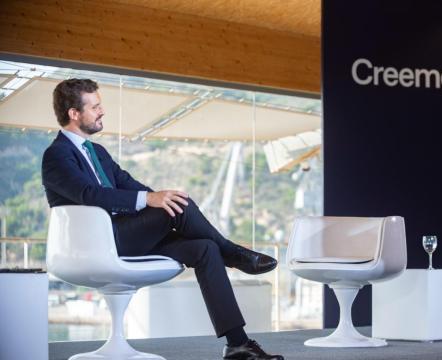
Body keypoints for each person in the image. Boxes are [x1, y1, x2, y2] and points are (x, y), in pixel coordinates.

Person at [42, 78, 284, 360]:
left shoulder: (97, 152)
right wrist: (150, 200)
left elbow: (127, 183)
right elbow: (88, 194)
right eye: (95, 106)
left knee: (204, 248)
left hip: (127, 235)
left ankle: (237, 344)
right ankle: (232, 253)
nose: (102, 111)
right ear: (74, 113)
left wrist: (158, 196)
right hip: (97, 243)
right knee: (180, 206)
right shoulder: (56, 155)